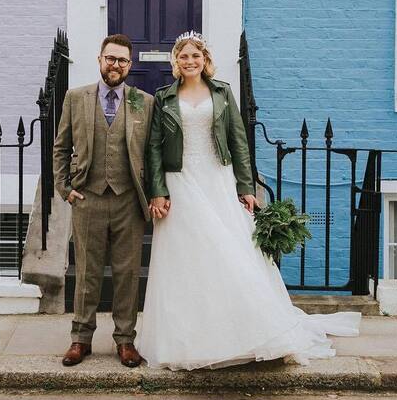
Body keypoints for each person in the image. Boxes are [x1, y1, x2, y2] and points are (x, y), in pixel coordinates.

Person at [136, 31, 360, 370]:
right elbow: (153, 147)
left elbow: (238, 141)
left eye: (195, 55)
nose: (190, 61)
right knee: (185, 257)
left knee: (229, 250)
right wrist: (157, 190)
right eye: (183, 56)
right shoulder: (164, 97)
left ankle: (248, 331)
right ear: (176, 62)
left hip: (217, 178)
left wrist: (245, 186)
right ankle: (191, 337)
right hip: (179, 182)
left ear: (204, 60)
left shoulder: (222, 92)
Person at [52, 34, 154, 368]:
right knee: (87, 272)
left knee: (127, 274)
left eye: (122, 60)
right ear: (100, 60)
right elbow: (61, 147)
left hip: (128, 200)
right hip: (88, 197)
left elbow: (152, 153)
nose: (116, 65)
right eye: (111, 58)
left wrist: (153, 193)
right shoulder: (75, 97)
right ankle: (80, 338)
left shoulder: (144, 102)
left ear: (130, 65)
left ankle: (125, 340)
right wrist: (64, 188)